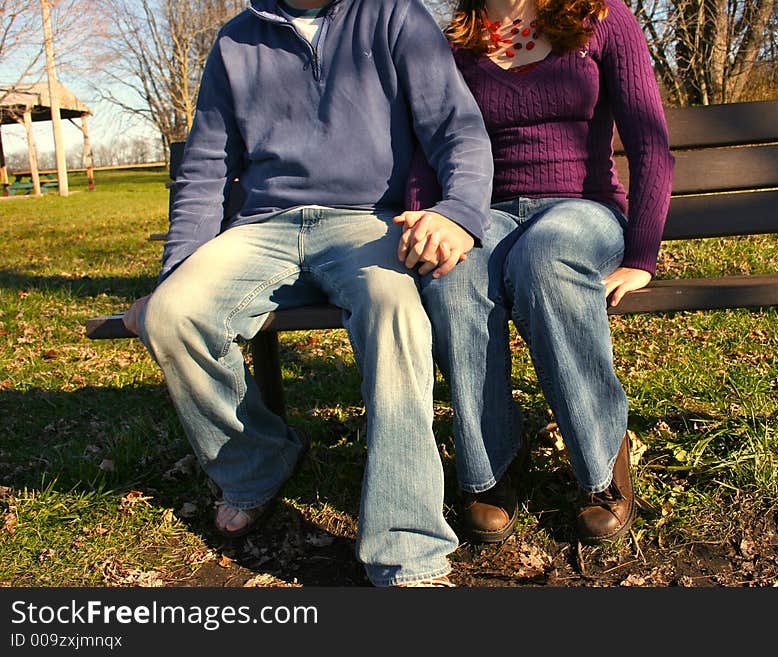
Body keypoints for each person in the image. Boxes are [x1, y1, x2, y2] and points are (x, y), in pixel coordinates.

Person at [121, 0, 494, 587]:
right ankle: (257, 464)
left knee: (395, 313)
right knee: (172, 315)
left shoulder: (394, 17)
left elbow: (457, 129)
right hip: (262, 228)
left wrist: (458, 214)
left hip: (367, 221)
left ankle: (408, 550)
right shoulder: (238, 41)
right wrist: (174, 272)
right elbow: (206, 167)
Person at [397, 0, 674, 545]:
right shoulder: (456, 41)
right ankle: (490, 465)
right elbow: (431, 147)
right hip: (486, 212)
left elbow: (649, 144)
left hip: (584, 209)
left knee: (546, 254)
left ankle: (601, 466)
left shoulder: (603, 18)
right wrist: (424, 221)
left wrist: (641, 256)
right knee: (455, 277)